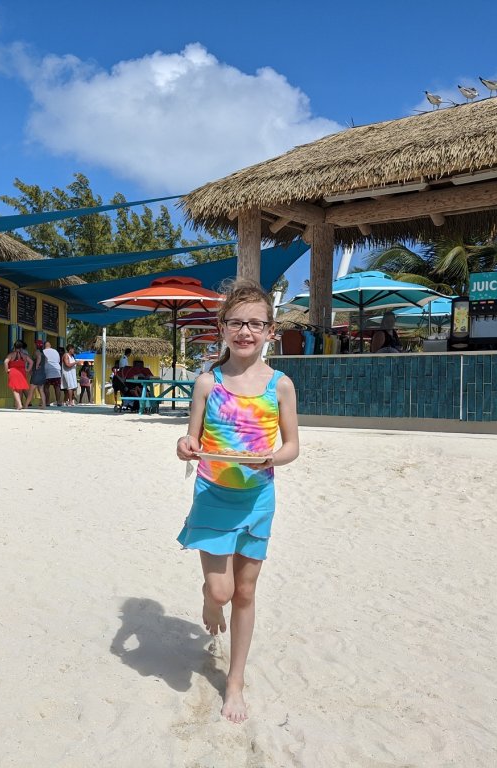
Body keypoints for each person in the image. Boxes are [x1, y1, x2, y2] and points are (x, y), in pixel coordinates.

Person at [175, 279, 300, 724]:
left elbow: (292, 446)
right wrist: (184, 445)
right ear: (222, 327)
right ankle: (209, 599)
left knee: (245, 591)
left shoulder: (281, 385)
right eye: (236, 322)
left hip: (257, 499)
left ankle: (235, 681)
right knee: (221, 589)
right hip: (212, 493)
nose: (245, 330)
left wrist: (273, 456)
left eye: (255, 323)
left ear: (271, 330)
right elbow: (192, 436)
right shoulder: (208, 381)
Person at [4, 340, 33, 410]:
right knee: (20, 389)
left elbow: (5, 361)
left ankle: (19, 404)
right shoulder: (24, 355)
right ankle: (18, 404)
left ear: (14, 346)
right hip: (22, 372)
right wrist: (28, 370)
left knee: (14, 389)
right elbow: (31, 362)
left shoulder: (11, 354)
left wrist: (7, 370)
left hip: (13, 371)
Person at [41, 340, 62, 406]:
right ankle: (58, 401)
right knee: (57, 387)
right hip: (56, 370)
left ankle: (47, 402)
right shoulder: (55, 351)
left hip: (47, 370)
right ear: (50, 345)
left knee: (46, 387)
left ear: (44, 346)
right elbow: (58, 361)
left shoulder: (43, 351)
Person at [27, 339, 48, 406]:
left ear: (36, 345)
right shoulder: (43, 353)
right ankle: (44, 405)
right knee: (41, 390)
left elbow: (38, 357)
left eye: (34, 344)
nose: (33, 345)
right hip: (42, 373)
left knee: (31, 391)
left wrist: (36, 365)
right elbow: (46, 360)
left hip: (37, 374)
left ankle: (26, 405)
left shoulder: (37, 352)